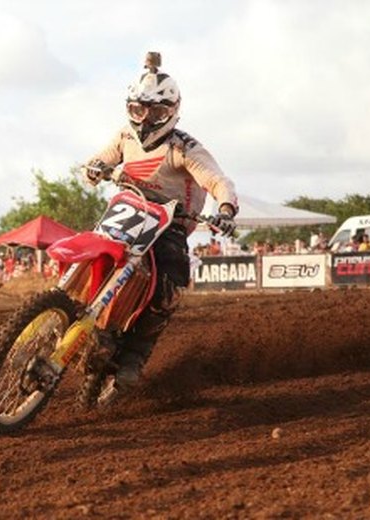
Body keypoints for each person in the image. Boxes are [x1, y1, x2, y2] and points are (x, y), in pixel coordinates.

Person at [84, 52, 238, 389]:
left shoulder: (184, 147)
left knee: (170, 288)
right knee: (92, 250)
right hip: (127, 211)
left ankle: (134, 358)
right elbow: (100, 159)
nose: (146, 118)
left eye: (156, 111)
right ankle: (72, 311)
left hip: (169, 224)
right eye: (138, 109)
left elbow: (217, 181)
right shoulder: (125, 136)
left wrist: (225, 209)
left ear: (172, 110)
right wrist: (94, 168)